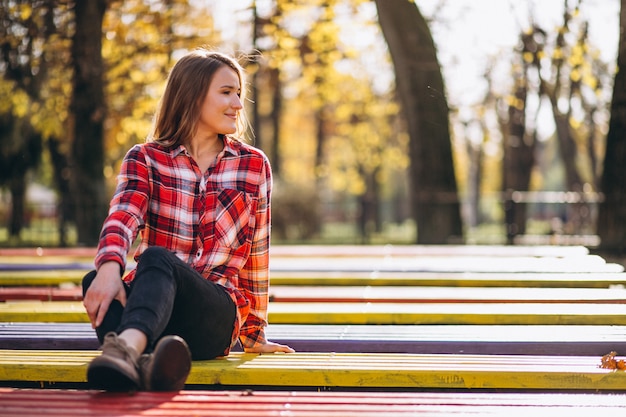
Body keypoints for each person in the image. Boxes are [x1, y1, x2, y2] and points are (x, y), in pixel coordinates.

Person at [82, 48, 294, 392]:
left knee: (156, 258)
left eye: (239, 93)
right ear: (192, 96)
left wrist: (254, 335)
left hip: (213, 315)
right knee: (95, 279)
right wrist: (108, 269)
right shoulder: (146, 158)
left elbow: (257, 254)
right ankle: (152, 360)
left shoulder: (253, 166)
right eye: (226, 92)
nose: (238, 104)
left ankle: (126, 351)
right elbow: (123, 215)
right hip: (156, 306)